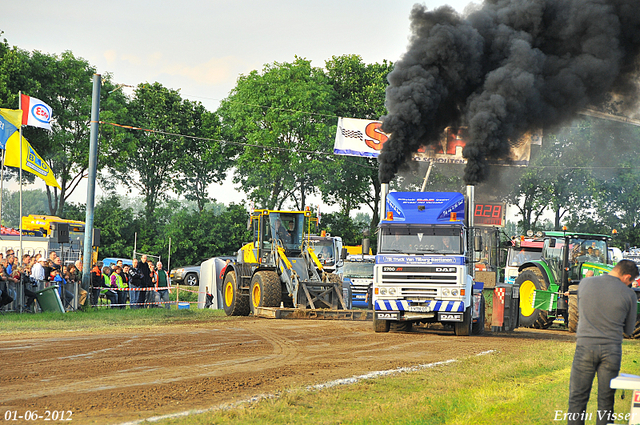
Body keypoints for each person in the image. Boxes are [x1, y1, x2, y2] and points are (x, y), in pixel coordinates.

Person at [567, 259, 639, 425]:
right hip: (611, 351)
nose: (630, 284)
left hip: (585, 347)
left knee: (577, 398)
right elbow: (629, 330)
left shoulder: (585, 284)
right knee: (606, 401)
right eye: (631, 281)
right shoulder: (629, 295)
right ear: (627, 276)